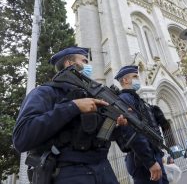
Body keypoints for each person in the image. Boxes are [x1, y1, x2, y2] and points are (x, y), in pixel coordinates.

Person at [13, 46, 127, 184]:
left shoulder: (91, 96)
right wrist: (73, 107)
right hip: (68, 172)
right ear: (70, 64)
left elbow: (99, 136)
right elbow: (21, 137)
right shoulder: (45, 93)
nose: (88, 66)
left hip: (103, 170)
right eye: (84, 61)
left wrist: (117, 125)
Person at [115, 65, 169, 184]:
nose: (138, 79)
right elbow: (133, 133)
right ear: (125, 80)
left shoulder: (136, 98)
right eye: (135, 77)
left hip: (151, 154)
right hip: (140, 159)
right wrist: (150, 161)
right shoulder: (124, 99)